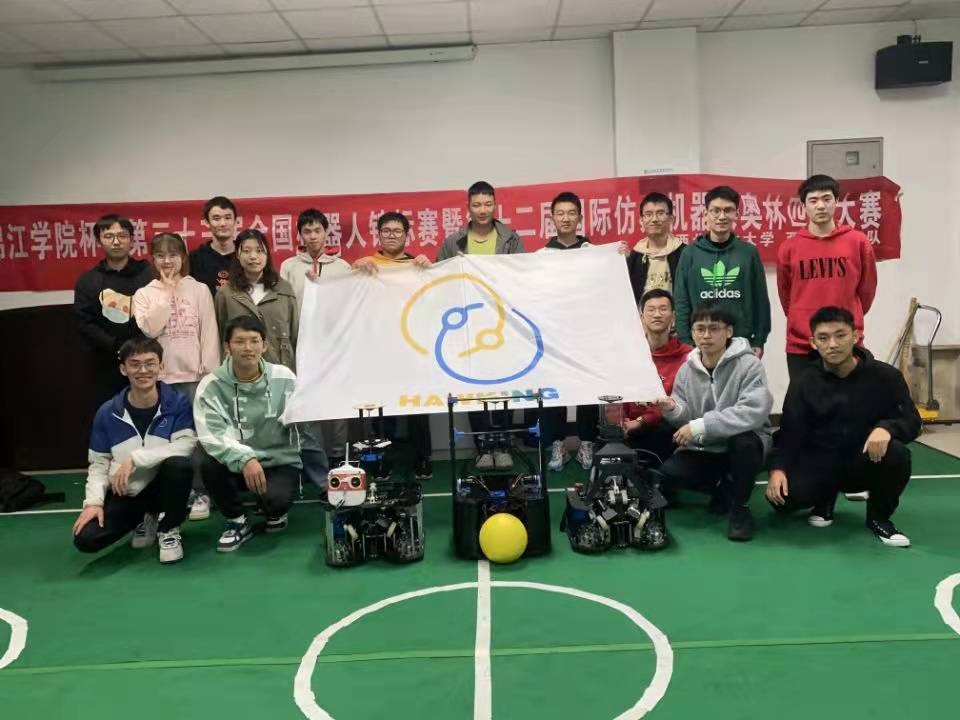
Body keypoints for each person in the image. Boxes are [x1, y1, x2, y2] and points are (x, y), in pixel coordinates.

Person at [765, 306, 920, 547]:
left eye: (840, 335)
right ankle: (824, 499)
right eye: (823, 338)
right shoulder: (804, 382)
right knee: (782, 499)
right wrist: (777, 470)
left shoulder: (886, 377)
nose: (833, 344)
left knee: (897, 455)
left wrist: (887, 428)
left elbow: (912, 421)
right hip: (820, 463)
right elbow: (789, 433)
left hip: (863, 462)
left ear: (855, 336)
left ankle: (878, 517)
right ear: (813, 343)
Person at [655, 302, 773, 541]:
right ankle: (724, 488)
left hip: (746, 444)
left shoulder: (749, 364)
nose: (706, 335)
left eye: (714, 328)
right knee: (670, 472)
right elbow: (686, 416)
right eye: (700, 329)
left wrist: (702, 425)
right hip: (707, 446)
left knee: (744, 442)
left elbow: (754, 410)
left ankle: (740, 509)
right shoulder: (687, 370)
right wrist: (673, 408)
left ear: (729, 331)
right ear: (692, 332)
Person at [72, 337, 195, 564]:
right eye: (135, 364)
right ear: (123, 369)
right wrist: (94, 503)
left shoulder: (177, 403)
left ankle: (169, 528)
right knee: (86, 539)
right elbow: (99, 464)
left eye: (150, 363)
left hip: (163, 486)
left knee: (179, 465)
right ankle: (145, 518)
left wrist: (136, 459)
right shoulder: (107, 412)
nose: (143, 370)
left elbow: (186, 445)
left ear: (161, 366)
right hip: (128, 493)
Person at [436, 181, 526, 469]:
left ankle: (503, 445)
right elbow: (439, 279)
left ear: (495, 205)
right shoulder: (454, 242)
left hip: (503, 322)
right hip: (468, 324)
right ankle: (482, 448)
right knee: (475, 388)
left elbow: (522, 275)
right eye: (477, 205)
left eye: (488, 204)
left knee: (505, 386)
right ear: (468, 208)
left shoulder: (510, 239)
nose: (483, 210)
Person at [194, 316, 302, 553]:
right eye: (240, 341)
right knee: (209, 465)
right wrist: (246, 459)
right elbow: (211, 436)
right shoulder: (211, 385)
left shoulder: (284, 377)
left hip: (277, 460)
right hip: (236, 463)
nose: (248, 348)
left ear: (264, 345)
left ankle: (272, 509)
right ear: (227, 346)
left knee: (276, 504)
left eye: (254, 341)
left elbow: (300, 421)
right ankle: (237, 521)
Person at [133, 232, 220, 521]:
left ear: (183, 257)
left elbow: (209, 332)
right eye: (160, 255)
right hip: (161, 379)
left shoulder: (199, 289)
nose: (167, 261)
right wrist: (167, 293)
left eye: (173, 254)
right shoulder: (145, 294)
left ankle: (201, 492)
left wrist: (209, 372)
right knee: (166, 438)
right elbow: (150, 329)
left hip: (196, 375)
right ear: (153, 259)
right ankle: (171, 496)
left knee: (199, 438)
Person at [353, 212, 435, 479]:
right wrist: (355, 268)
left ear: (406, 235)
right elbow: (346, 291)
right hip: (380, 348)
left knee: (418, 407)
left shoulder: (417, 264)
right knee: (382, 409)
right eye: (386, 231)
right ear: (378, 235)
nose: (391, 235)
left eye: (397, 231)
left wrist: (430, 268)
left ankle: (422, 457)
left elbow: (435, 295)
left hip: (413, 347)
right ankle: (382, 460)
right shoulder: (368, 265)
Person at [777, 175, 878, 382]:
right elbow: (786, 295)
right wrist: (801, 319)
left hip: (846, 340)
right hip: (802, 344)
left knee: (851, 399)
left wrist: (848, 320)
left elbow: (867, 291)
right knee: (805, 400)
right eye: (813, 200)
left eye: (826, 199)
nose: (821, 206)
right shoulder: (789, 248)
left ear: (836, 201)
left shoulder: (858, 242)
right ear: (804, 206)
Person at [279, 209, 352, 486]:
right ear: (300, 235)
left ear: (326, 232)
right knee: (307, 405)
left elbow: (349, 306)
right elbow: (285, 308)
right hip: (301, 348)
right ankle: (314, 459)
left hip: (334, 348)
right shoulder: (289, 267)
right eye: (307, 231)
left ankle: (338, 457)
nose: (312, 236)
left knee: (338, 404)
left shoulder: (341, 267)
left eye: (317, 230)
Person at [536, 192, 599, 471]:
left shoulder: (594, 253)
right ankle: (556, 445)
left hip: (586, 333)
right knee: (553, 390)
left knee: (588, 390)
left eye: (571, 213)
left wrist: (617, 257)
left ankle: (587, 443)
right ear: (552, 218)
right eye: (560, 213)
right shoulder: (540, 257)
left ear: (580, 217)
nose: (565, 218)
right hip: (553, 334)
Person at [673, 186, 771, 357]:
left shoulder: (748, 252)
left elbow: (760, 300)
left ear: (737, 215)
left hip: (741, 342)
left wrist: (759, 340)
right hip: (701, 344)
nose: (722, 216)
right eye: (716, 210)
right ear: (705, 214)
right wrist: (685, 340)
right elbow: (681, 301)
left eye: (728, 210)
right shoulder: (690, 253)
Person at [74, 214, 153, 407]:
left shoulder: (149, 274)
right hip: (105, 362)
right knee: (111, 413)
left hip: (147, 360)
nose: (116, 242)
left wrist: (139, 348)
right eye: (109, 236)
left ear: (131, 239)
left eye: (122, 236)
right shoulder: (88, 280)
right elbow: (85, 323)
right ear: (99, 240)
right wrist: (117, 346)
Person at [619, 289, 692, 464]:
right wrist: (621, 420)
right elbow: (618, 389)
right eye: (651, 309)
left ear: (673, 316)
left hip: (663, 425)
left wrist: (642, 421)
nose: (657, 314)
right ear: (642, 317)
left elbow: (679, 402)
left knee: (664, 430)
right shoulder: (627, 353)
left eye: (663, 309)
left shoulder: (687, 357)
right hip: (628, 424)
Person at [215, 228, 299, 371]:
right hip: (239, 373)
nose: (253, 256)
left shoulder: (284, 289)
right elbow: (220, 338)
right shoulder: (226, 293)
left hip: (279, 371)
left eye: (259, 251)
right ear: (238, 255)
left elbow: (295, 335)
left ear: (267, 254)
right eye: (246, 251)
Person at [626, 192, 686, 305]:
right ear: (641, 220)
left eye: (660, 213)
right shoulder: (634, 257)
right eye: (648, 214)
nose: (654, 219)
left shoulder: (684, 253)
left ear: (671, 219)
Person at [190, 196, 237, 297]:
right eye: (216, 218)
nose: (223, 223)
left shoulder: (245, 255)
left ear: (235, 221)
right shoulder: (195, 258)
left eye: (228, 218)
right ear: (207, 223)